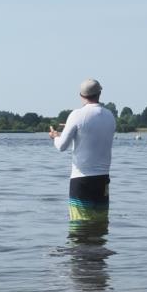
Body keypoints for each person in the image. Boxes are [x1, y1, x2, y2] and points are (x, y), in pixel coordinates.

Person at [49, 79, 116, 224]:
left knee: (79, 227)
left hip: (82, 180)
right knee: (100, 225)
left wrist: (55, 136)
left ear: (81, 95)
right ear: (99, 93)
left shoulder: (76, 115)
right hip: (103, 180)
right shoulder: (110, 116)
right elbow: (93, 132)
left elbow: (61, 146)